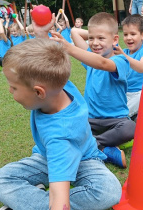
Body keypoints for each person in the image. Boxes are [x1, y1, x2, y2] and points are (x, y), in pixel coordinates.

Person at [0, 38, 122, 209]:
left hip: (86, 159)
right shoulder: (58, 83)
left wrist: (56, 203)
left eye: (14, 88)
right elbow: (44, 57)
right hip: (45, 157)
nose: (10, 91)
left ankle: (32, 200)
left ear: (39, 92)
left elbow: (61, 200)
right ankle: (37, 199)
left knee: (108, 192)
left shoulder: (61, 138)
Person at [51, 12, 136, 169]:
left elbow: (103, 63)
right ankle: (104, 149)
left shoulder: (121, 60)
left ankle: (92, 145)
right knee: (66, 128)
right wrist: (98, 33)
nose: (95, 43)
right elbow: (75, 31)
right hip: (90, 119)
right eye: (91, 38)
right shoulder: (90, 56)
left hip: (116, 120)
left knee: (131, 128)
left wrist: (69, 47)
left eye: (101, 38)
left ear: (115, 40)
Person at [114, 14, 143, 119]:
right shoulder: (125, 52)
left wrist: (123, 55)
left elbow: (142, 67)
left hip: (141, 93)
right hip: (125, 93)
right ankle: (132, 116)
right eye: (125, 34)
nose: (128, 38)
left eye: (133, 34)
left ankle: (122, 117)